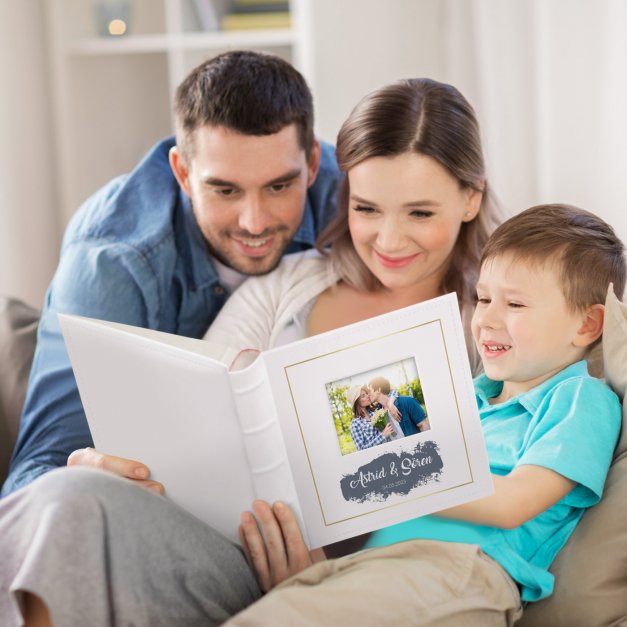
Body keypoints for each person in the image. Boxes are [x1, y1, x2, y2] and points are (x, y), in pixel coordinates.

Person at [0, 77, 499, 626]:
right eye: (367, 209)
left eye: (420, 214)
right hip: (212, 544)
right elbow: (192, 399)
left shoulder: (489, 326)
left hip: (350, 582)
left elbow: (470, 502)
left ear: (470, 197)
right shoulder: (292, 282)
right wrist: (113, 465)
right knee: (70, 498)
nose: (389, 239)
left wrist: (320, 579)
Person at [227, 204, 624, 626]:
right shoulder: (465, 395)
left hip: (460, 571)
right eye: (484, 298)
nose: (486, 318)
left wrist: (394, 474)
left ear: (586, 325)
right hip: (374, 566)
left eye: (515, 304)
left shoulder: (581, 399)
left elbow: (513, 503)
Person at [1, 50, 340, 497]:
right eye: (224, 190)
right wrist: (79, 483)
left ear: (312, 163)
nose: (254, 222)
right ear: (182, 172)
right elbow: (30, 480)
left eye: (279, 186)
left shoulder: (355, 201)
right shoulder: (112, 263)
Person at [345, 385, 395, 450]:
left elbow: (393, 392)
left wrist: (391, 404)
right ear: (357, 402)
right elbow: (362, 449)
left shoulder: (376, 410)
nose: (367, 396)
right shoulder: (355, 424)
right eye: (363, 396)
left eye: (366, 394)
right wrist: (382, 435)